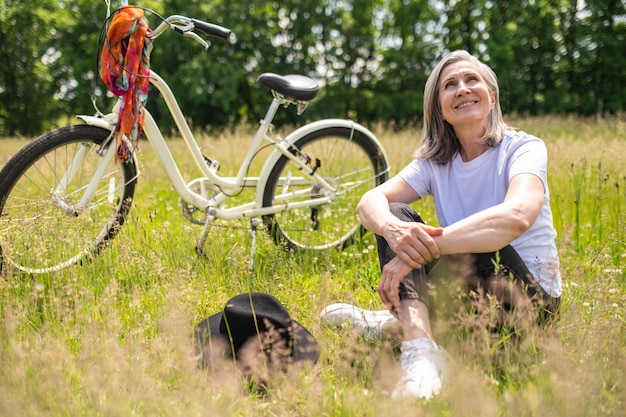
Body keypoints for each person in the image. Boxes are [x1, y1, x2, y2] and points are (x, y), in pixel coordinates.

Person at [320, 50, 562, 400]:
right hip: (466, 287)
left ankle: (392, 323)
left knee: (482, 249)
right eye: (450, 85)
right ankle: (420, 349)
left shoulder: (523, 148)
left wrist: (418, 253)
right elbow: (369, 202)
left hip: (527, 302)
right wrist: (394, 230)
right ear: (439, 108)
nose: (462, 89)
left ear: (491, 97)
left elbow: (517, 215)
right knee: (398, 214)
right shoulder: (436, 161)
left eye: (471, 80)